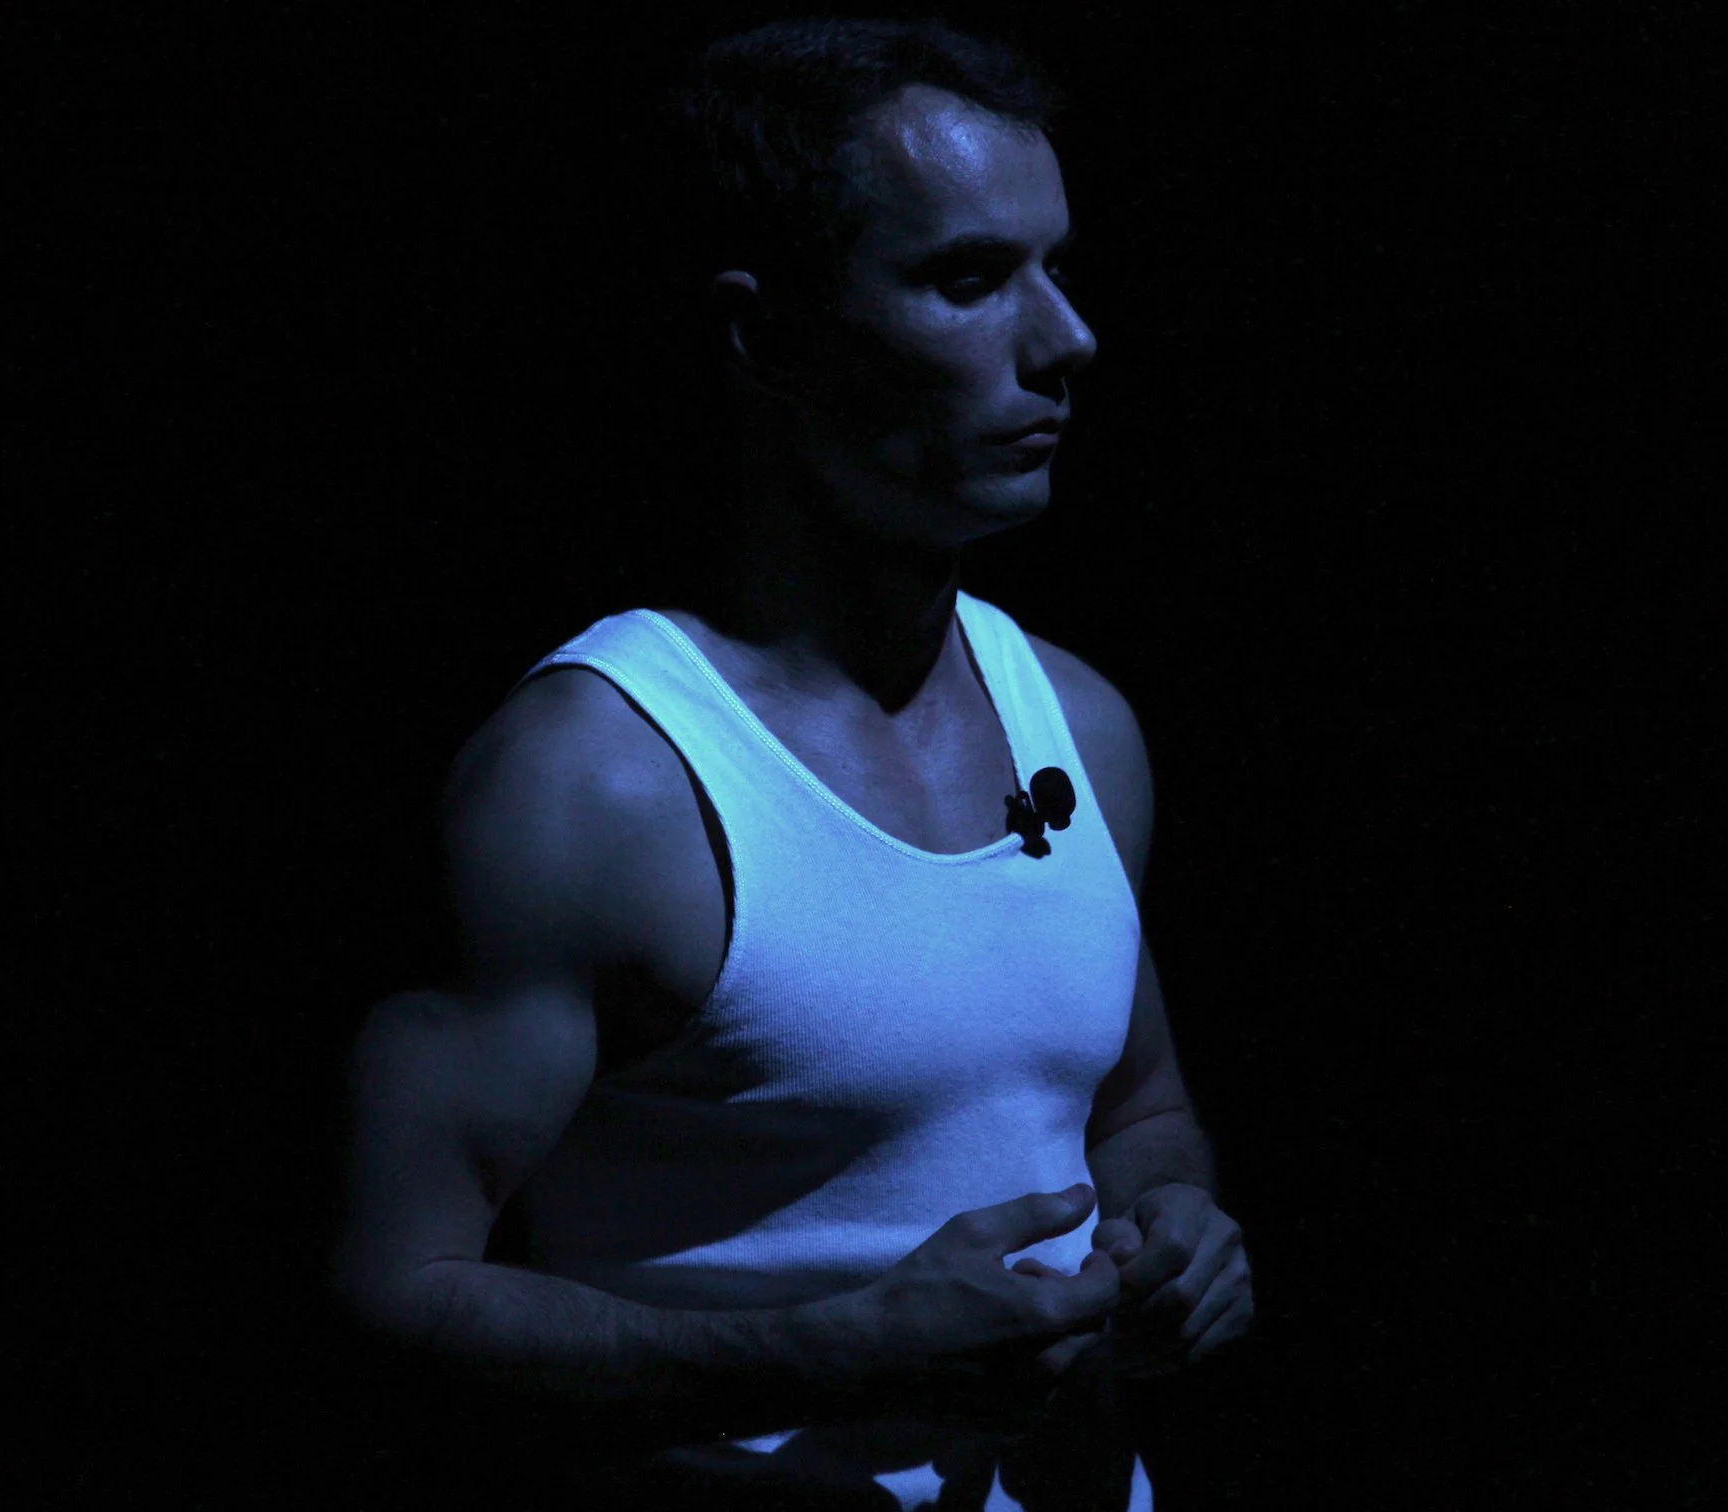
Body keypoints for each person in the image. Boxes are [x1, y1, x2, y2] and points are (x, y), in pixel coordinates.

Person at [329, 18, 1255, 1510]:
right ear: (765, 335)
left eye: (1057, 267)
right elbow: (389, 1297)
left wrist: (1176, 1233)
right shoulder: (593, 785)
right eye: (970, 279)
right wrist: (826, 1356)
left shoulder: (1078, 723)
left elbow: (1135, 1112)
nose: (1066, 338)